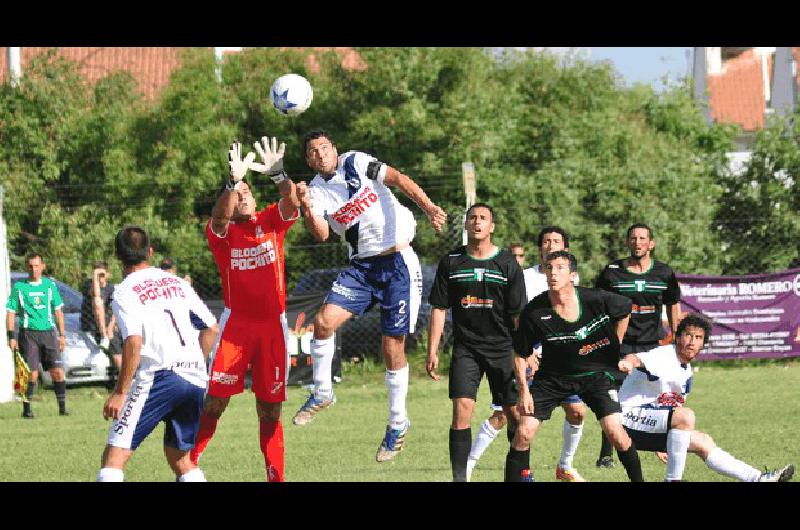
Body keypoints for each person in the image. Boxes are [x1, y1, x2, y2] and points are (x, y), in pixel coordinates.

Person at [293, 129, 447, 463]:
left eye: (324, 147)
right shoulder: (316, 191)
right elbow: (320, 235)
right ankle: (322, 392)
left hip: (398, 263)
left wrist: (430, 207)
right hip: (361, 268)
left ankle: (397, 422)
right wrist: (305, 206)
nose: (320, 154)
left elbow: (398, 179)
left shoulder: (357, 162)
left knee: (392, 346)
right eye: (313, 152)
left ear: (334, 149)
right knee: (322, 323)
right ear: (309, 160)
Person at [189, 137, 300, 482]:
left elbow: (291, 200)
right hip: (236, 328)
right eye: (240, 195)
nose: (245, 197)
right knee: (214, 404)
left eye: (248, 192)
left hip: (272, 327)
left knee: (269, 410)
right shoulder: (223, 235)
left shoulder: (270, 221)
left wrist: (280, 175)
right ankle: (187, 466)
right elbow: (218, 218)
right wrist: (231, 183)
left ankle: (275, 476)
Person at [506, 250, 645, 482]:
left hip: (595, 375)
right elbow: (519, 354)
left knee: (616, 433)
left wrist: (614, 347)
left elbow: (625, 308)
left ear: (573, 275)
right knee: (523, 432)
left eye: (560, 268)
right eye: (549, 268)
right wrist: (524, 391)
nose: (553, 273)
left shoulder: (594, 298)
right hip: (552, 378)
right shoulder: (535, 311)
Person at [96, 225, 219, 482]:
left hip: (160, 377)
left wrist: (120, 393)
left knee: (113, 458)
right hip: (194, 379)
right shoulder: (176, 282)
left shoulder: (124, 290)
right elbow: (211, 328)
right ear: (149, 252)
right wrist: (195, 364)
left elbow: (133, 341)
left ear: (118, 256)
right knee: (180, 457)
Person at [466, 229, 588, 482]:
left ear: (565, 247)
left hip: (561, 361)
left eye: (556, 242)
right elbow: (508, 318)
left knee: (577, 411)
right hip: (527, 357)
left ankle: (564, 466)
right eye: (546, 241)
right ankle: (466, 466)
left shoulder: (571, 278)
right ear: (540, 248)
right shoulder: (523, 277)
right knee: (507, 415)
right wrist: (526, 351)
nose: (550, 245)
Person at [617, 312, 794, 482]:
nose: (692, 341)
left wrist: (662, 442)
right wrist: (628, 363)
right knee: (685, 416)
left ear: (703, 344)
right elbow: (637, 358)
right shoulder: (664, 356)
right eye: (688, 335)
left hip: (647, 423)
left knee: (703, 441)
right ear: (677, 337)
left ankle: (757, 478)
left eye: (698, 338)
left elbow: (663, 406)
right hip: (624, 421)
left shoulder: (685, 369)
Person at [426, 203, 526, 481]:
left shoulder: (507, 264)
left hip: (503, 347)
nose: (477, 222)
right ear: (466, 226)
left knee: (513, 413)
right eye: (473, 218)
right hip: (466, 349)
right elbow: (438, 308)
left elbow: (519, 315)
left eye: (483, 218)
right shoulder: (452, 262)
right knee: (462, 410)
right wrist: (432, 349)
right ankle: (460, 478)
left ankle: (518, 473)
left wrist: (525, 351)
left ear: (491, 227)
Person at [594, 223, 681, 468]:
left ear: (651, 244)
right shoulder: (612, 273)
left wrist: (675, 337)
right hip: (620, 347)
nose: (637, 242)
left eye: (642, 238)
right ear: (627, 242)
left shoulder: (663, 273)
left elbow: (673, 304)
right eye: (633, 238)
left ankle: (661, 444)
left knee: (660, 397)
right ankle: (606, 454)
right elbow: (597, 306)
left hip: (652, 346)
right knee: (614, 400)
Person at [6, 254, 69, 418]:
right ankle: (27, 410)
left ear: (43, 266)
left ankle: (62, 409)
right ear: (27, 267)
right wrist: (11, 336)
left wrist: (62, 335)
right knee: (31, 373)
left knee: (57, 372)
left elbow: (58, 311)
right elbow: (11, 312)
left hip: (48, 333)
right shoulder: (19, 287)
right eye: (30, 266)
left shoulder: (49, 286)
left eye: (36, 265)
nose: (34, 269)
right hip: (28, 334)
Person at [80, 261, 123, 373]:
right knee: (97, 301)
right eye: (98, 275)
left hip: (108, 326)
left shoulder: (111, 288)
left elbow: (116, 309)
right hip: (92, 325)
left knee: (116, 351)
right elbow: (95, 294)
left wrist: (111, 327)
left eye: (102, 275)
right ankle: (104, 336)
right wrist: (95, 276)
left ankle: (125, 380)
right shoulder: (88, 285)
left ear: (108, 275)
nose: (100, 278)